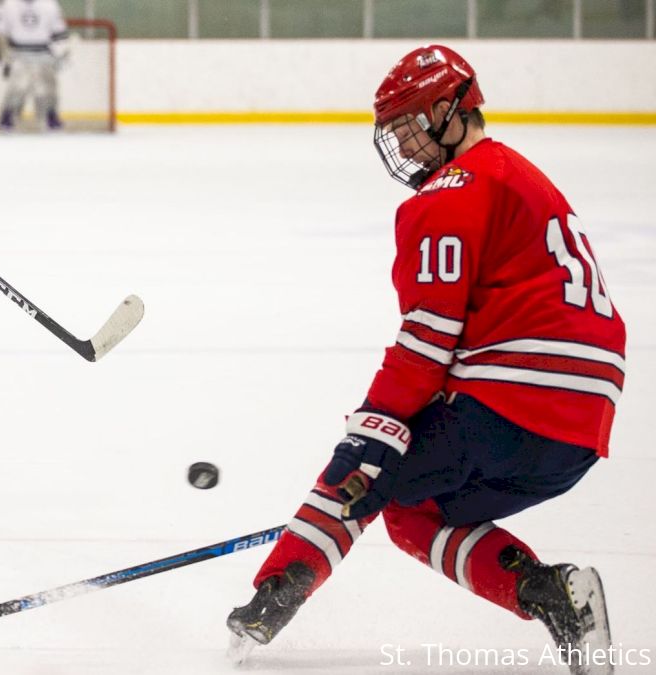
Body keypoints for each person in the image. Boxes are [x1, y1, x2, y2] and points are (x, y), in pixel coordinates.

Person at [226, 45, 626, 675]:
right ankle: (557, 599)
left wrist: (369, 440)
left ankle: (275, 593)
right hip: (579, 429)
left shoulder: (451, 193)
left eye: (411, 125)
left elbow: (425, 345)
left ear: (449, 110)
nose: (406, 147)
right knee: (415, 513)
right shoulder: (518, 172)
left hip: (512, 402)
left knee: (365, 465)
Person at [0, 0, 69, 131]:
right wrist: (1, 55)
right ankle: (7, 117)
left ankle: (50, 116)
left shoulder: (50, 4)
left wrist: (60, 54)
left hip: (44, 53)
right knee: (16, 88)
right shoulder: (7, 5)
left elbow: (59, 33)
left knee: (48, 88)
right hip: (18, 53)